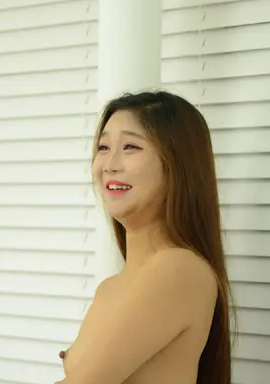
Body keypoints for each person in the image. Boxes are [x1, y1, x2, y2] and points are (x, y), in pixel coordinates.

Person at [55, 91, 234, 384]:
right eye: (103, 147)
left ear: (176, 164)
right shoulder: (109, 289)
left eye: (130, 147)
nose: (109, 164)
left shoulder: (179, 269)